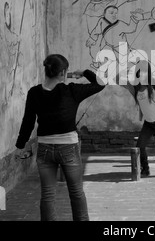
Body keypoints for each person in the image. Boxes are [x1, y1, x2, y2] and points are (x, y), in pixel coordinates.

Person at [15, 54, 105, 221]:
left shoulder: (34, 92)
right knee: (77, 192)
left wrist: (21, 144)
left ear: (46, 71)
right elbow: (101, 83)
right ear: (63, 72)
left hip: (44, 149)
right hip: (68, 148)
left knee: (48, 195)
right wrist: (84, 71)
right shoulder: (71, 90)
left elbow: (28, 121)